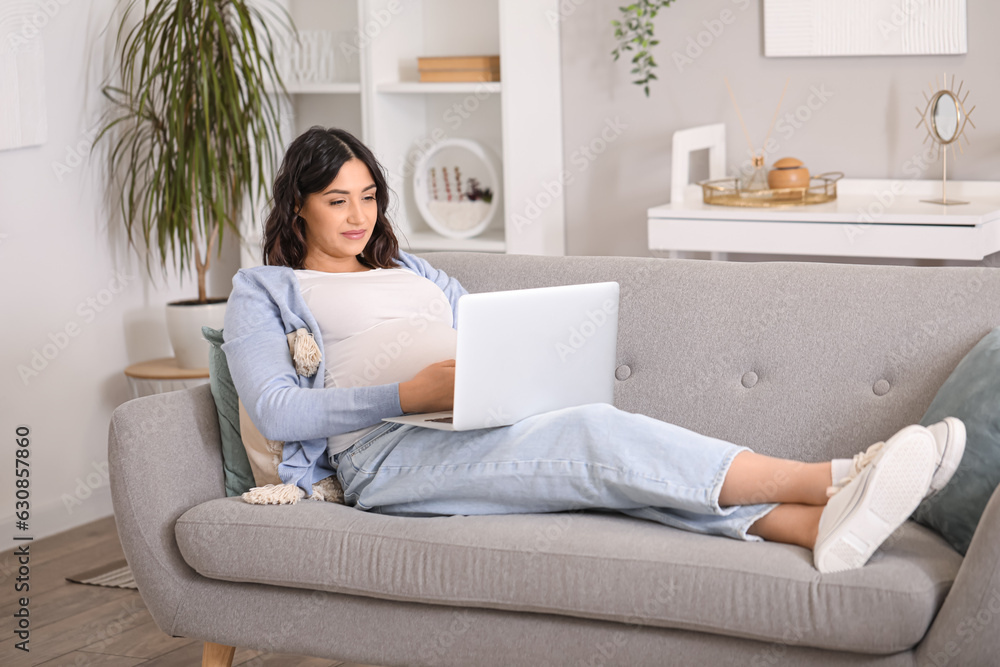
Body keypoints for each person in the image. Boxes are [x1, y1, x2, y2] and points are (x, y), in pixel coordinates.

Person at [222, 126, 966, 574]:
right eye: (337, 200)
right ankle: (840, 478)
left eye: (370, 196)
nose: (360, 216)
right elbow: (277, 409)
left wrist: (517, 371)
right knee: (595, 436)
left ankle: (813, 528)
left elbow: (487, 333)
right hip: (384, 456)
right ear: (299, 205)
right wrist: (407, 395)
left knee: (608, 468)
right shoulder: (265, 288)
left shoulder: (412, 269)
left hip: (469, 423)